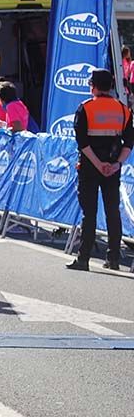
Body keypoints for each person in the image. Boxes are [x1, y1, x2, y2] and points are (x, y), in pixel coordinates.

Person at [66, 69, 133, 271]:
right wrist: (116, 164)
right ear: (111, 86)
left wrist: (98, 164)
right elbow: (129, 142)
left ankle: (84, 258)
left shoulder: (85, 108)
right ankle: (113, 259)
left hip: (89, 166)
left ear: (93, 86)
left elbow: (82, 142)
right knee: (113, 211)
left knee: (90, 213)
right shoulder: (123, 110)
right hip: (113, 167)